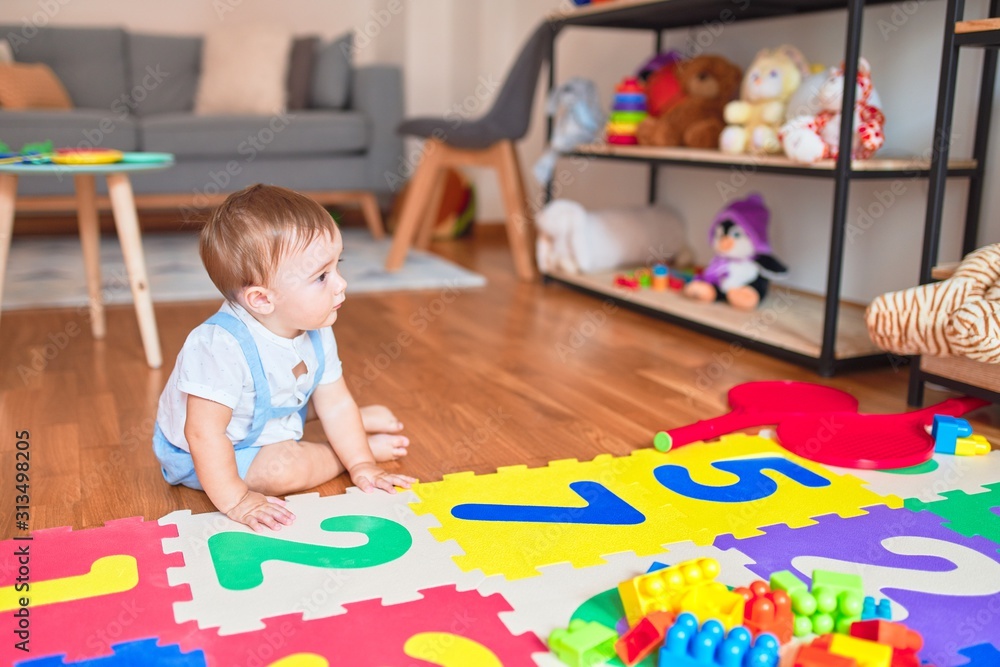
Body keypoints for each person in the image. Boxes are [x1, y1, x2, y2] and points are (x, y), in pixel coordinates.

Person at [153, 184, 415, 532]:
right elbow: (203, 435)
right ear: (262, 300)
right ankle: (341, 450)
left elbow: (335, 403)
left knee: (335, 411)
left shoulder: (315, 323)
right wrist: (236, 499)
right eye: (321, 276)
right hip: (206, 453)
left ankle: (353, 435)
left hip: (267, 417)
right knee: (286, 469)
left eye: (338, 266)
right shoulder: (218, 347)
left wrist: (363, 465)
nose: (341, 284)